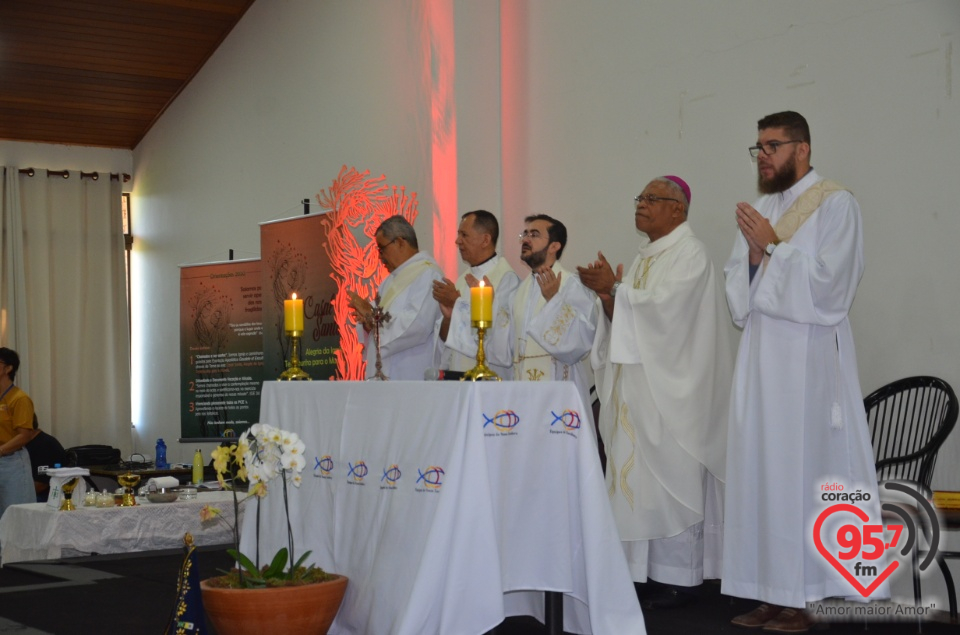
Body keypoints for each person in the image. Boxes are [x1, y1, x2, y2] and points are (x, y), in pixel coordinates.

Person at [722, 111, 882, 632]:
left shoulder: (837, 204)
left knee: (803, 474)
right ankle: (770, 591)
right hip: (764, 360)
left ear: (803, 149)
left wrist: (770, 247)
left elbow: (832, 286)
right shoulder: (763, 210)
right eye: (758, 147)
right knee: (764, 474)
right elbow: (737, 290)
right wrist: (753, 256)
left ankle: (809, 597)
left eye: (772, 145)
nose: (763, 155)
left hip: (810, 365)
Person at [577, 176, 732, 608]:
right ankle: (637, 574)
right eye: (640, 198)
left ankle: (678, 578)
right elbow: (631, 315)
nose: (641, 205)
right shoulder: (646, 255)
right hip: (637, 390)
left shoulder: (691, 254)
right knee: (636, 483)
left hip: (673, 394)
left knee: (669, 481)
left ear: (678, 209)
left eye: (652, 199)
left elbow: (669, 314)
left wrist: (616, 292)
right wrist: (609, 299)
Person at [485, 214, 599, 409]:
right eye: (525, 234)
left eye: (534, 235)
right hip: (523, 394)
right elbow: (505, 352)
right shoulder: (519, 291)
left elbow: (580, 344)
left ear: (555, 246)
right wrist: (491, 306)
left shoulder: (572, 285)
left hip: (559, 395)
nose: (526, 239)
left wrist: (554, 300)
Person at [348, 216, 444, 380]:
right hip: (385, 373)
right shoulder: (389, 282)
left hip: (409, 373)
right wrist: (367, 322)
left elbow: (417, 326)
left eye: (382, 249)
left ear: (400, 242)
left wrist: (372, 318)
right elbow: (377, 318)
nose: (380, 257)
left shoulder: (428, 275)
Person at [432, 210, 520, 378]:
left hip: (489, 378)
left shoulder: (506, 279)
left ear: (485, 240)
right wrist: (450, 316)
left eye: (464, 235)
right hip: (459, 374)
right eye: (458, 235)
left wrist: (457, 303)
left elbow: (502, 339)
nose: (458, 241)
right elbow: (446, 338)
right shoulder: (461, 280)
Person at [0, 347, 40, 517]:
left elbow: (24, 435)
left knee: (16, 516)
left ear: (8, 368)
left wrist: (0, 451)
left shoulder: (19, 398)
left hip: (12, 462)